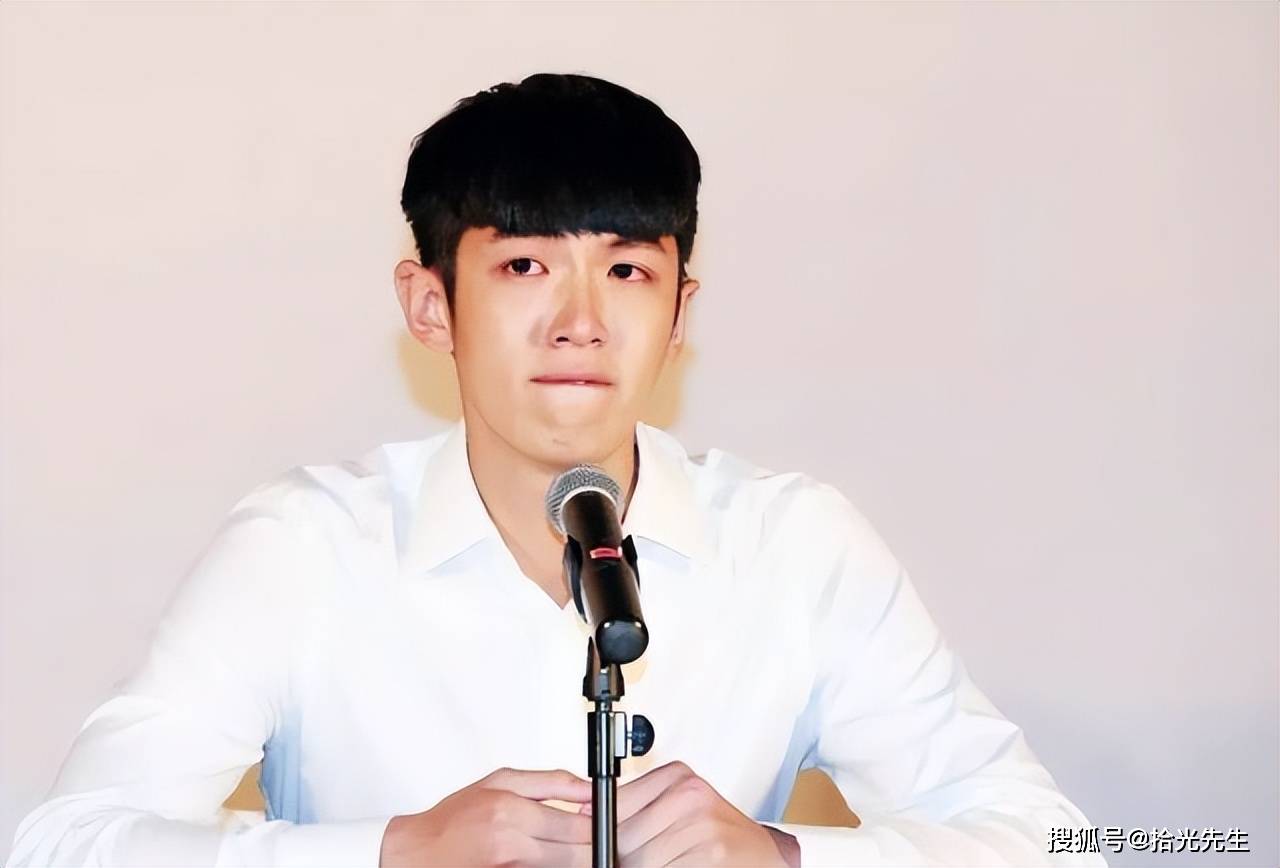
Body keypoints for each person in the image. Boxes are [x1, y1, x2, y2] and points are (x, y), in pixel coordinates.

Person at [8, 73, 1104, 868]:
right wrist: (392, 851)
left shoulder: (795, 544)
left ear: (680, 312)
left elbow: (1054, 842)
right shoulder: (306, 546)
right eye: (526, 264)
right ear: (430, 305)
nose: (580, 321)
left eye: (626, 272)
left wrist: (782, 855)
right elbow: (66, 842)